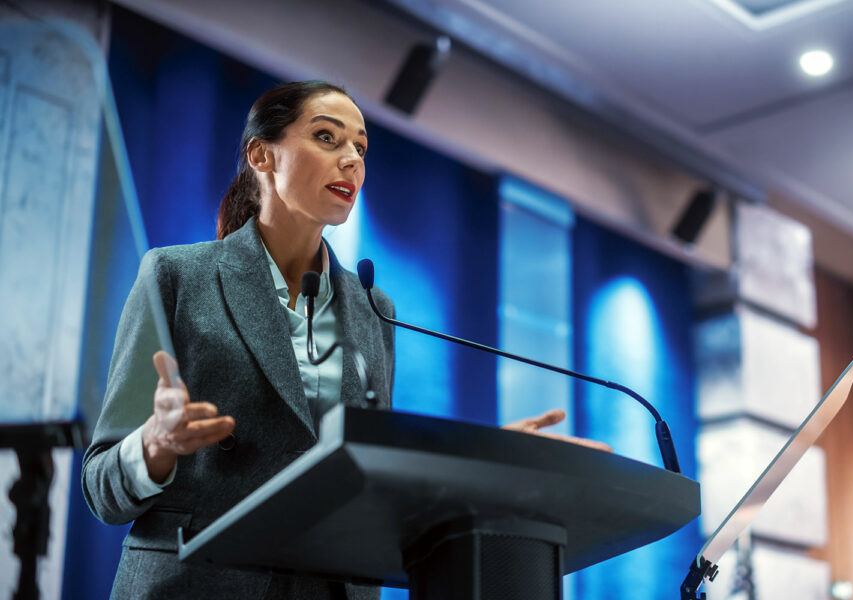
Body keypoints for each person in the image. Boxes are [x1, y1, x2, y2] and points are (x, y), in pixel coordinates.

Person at [82, 81, 609, 600]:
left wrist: (495, 457)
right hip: (197, 584)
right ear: (261, 155)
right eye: (328, 138)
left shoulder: (375, 310)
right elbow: (100, 486)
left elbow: (373, 473)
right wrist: (154, 446)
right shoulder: (176, 276)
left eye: (361, 147)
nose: (352, 160)